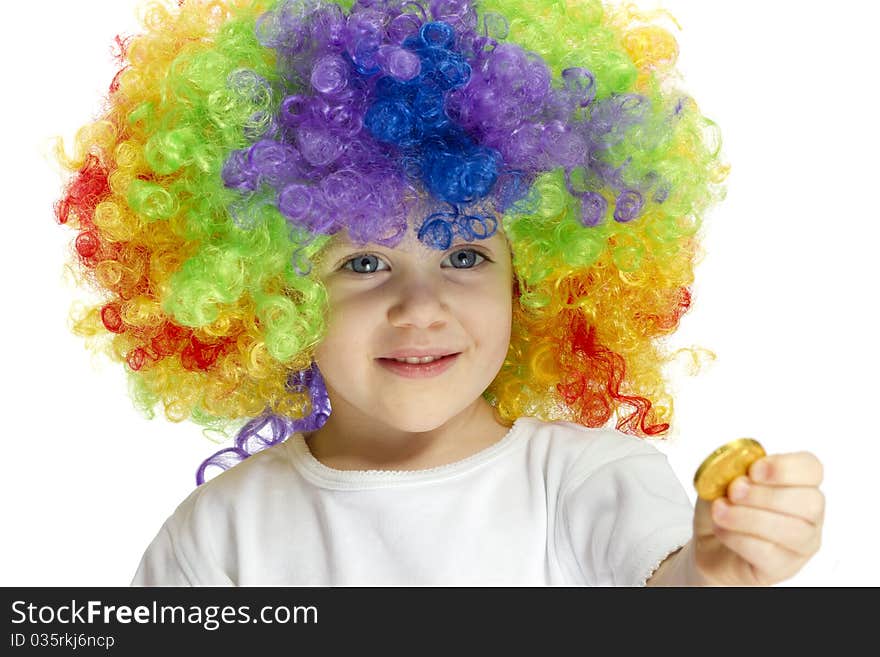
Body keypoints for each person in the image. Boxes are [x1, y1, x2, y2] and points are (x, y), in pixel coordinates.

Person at [55, 0, 824, 586]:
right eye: (362, 263)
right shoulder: (220, 537)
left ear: (531, 282)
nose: (420, 308)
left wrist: (716, 571)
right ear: (273, 296)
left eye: (463, 252)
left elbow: (668, 581)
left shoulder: (584, 482)